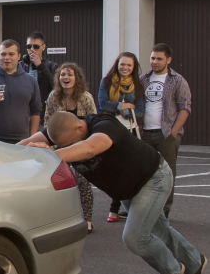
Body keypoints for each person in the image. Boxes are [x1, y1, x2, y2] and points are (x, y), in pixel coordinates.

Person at [21, 111, 206, 274]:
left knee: (135, 237)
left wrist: (50, 155)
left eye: (68, 144)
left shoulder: (105, 125)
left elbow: (90, 148)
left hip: (152, 179)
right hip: (127, 188)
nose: (66, 148)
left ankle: (170, 270)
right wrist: (17, 153)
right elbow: (25, 143)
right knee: (159, 229)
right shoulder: (61, 132)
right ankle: (195, 263)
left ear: (79, 128)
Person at [43, 62, 98, 233]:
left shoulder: (86, 98)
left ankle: (87, 219)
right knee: (59, 183)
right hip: (60, 146)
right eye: (62, 75)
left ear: (76, 78)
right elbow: (48, 122)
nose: (65, 78)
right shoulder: (53, 97)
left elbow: (94, 122)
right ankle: (61, 218)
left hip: (80, 147)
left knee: (83, 182)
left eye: (69, 75)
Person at [140, 43, 191, 218]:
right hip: (145, 133)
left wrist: (173, 132)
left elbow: (185, 108)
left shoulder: (178, 80)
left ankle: (164, 211)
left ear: (168, 60)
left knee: (167, 175)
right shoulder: (143, 79)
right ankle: (143, 209)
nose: (155, 62)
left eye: (159, 59)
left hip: (166, 135)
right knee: (144, 172)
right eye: (152, 58)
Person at [98, 52, 145, 222]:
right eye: (122, 64)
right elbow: (103, 104)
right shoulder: (106, 82)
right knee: (114, 169)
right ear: (117, 64)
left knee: (126, 169)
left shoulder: (138, 86)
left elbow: (140, 110)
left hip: (129, 132)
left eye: (129, 65)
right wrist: (123, 106)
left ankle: (119, 209)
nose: (125, 68)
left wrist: (123, 110)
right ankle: (114, 209)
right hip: (110, 129)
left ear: (134, 67)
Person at [20, 32, 59, 126]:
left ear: (43, 47)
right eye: (29, 46)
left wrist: (40, 66)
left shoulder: (52, 66)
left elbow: (56, 86)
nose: (32, 50)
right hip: (23, 111)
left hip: (42, 112)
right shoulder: (20, 66)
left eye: (36, 47)